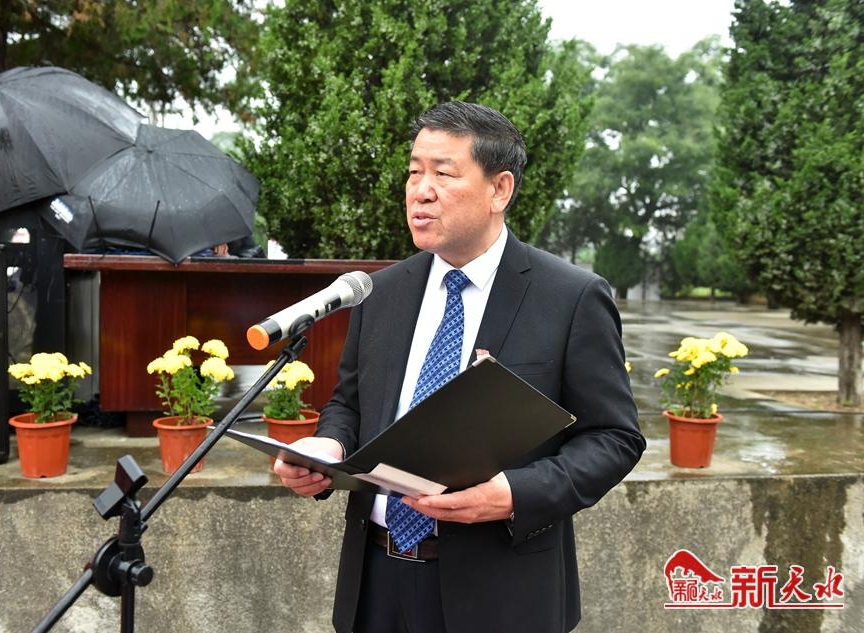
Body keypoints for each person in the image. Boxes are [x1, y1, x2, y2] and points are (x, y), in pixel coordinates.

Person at [274, 101, 645, 633]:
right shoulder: (381, 292)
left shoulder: (570, 297)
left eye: (443, 174)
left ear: (500, 190)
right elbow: (350, 404)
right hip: (376, 582)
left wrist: (515, 494)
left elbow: (614, 437)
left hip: (502, 592)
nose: (420, 191)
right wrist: (327, 448)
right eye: (413, 172)